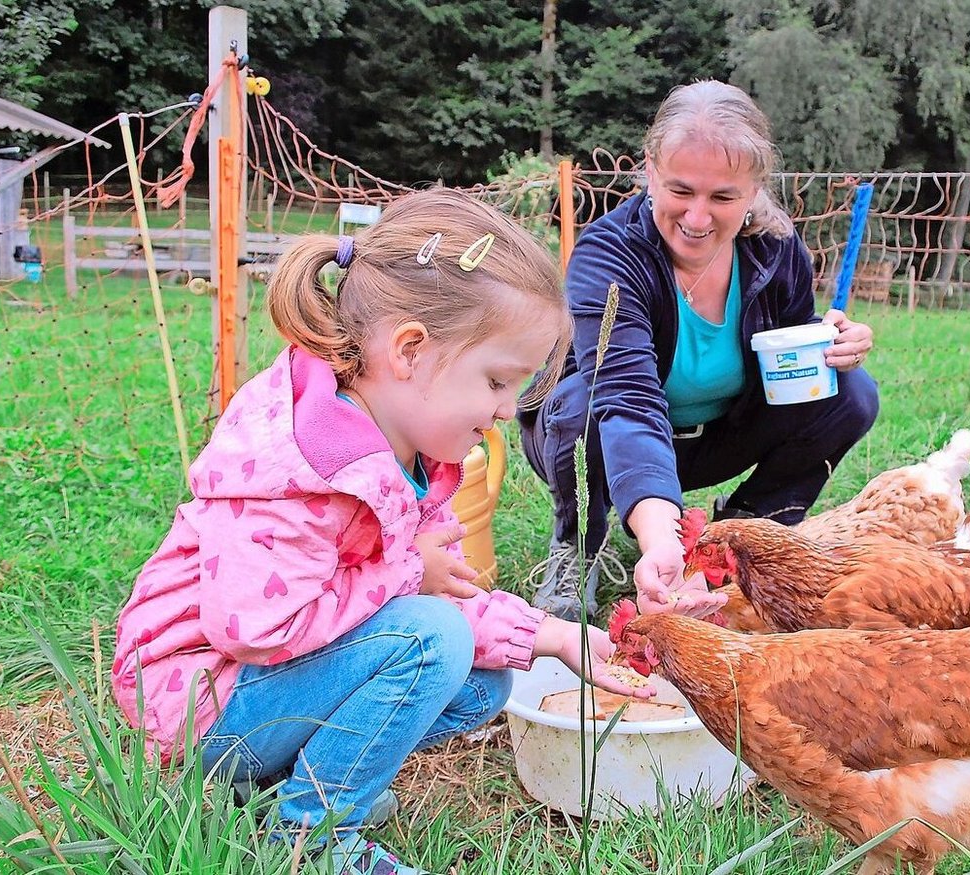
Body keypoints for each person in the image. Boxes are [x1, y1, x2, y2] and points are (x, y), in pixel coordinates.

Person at [111, 190, 653, 875]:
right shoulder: (307, 466)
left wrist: (553, 636)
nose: (504, 410)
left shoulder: (415, 455)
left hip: (259, 687)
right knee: (435, 640)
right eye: (495, 380)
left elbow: (436, 589)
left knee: (481, 679)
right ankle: (311, 837)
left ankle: (275, 787)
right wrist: (407, 572)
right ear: (409, 350)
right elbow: (255, 626)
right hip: (199, 704)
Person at [519, 80, 879, 622]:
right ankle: (577, 545)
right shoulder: (609, 256)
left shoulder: (776, 252)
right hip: (604, 441)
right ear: (649, 169)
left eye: (723, 197)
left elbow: (790, 351)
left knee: (849, 394)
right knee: (580, 402)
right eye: (681, 190)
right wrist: (662, 540)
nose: (697, 217)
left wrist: (832, 345)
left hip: (715, 436)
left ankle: (742, 537)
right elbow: (626, 401)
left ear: (755, 189)